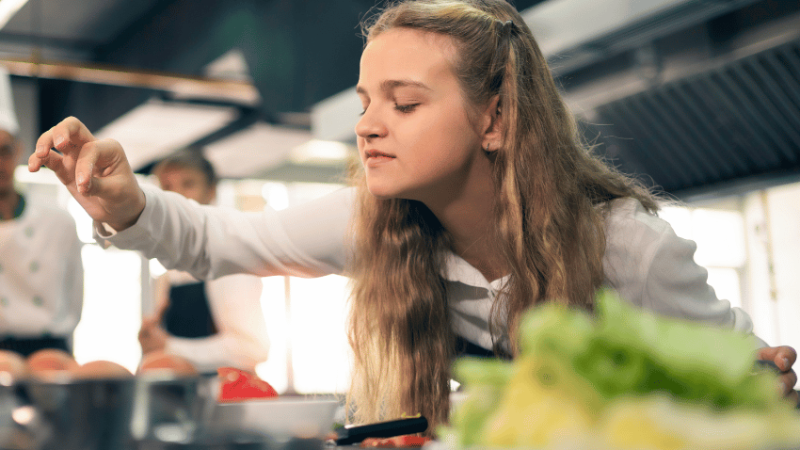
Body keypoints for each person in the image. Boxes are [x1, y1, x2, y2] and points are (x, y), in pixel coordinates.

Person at [28, 0, 797, 431]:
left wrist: (758, 385)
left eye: (404, 103)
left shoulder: (626, 249)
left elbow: (751, 393)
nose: (366, 126)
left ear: (494, 120)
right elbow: (218, 237)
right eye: (365, 102)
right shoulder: (377, 223)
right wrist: (123, 202)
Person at [137, 148, 270, 374]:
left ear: (211, 192)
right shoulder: (169, 269)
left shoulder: (229, 257)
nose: (176, 196)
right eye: (167, 187)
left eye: (188, 184)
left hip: (225, 396)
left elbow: (252, 348)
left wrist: (170, 347)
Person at [0, 67, 83, 357]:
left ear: (19, 150)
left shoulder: (58, 222)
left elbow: (75, 298)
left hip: (51, 352)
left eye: (4, 151)